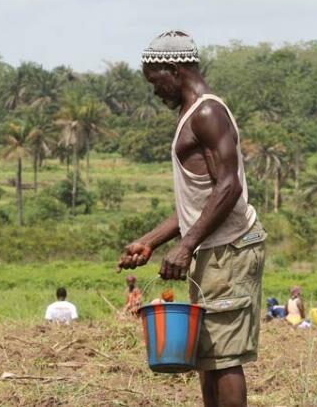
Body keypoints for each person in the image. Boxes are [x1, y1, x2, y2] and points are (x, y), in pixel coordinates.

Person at [117, 30, 266, 407]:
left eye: (156, 82)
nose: (155, 91)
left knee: (225, 358)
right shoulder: (191, 114)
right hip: (211, 248)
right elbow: (198, 203)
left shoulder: (207, 112)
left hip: (230, 248)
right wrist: (151, 241)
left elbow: (228, 188)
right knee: (207, 357)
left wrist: (185, 246)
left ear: (175, 69)